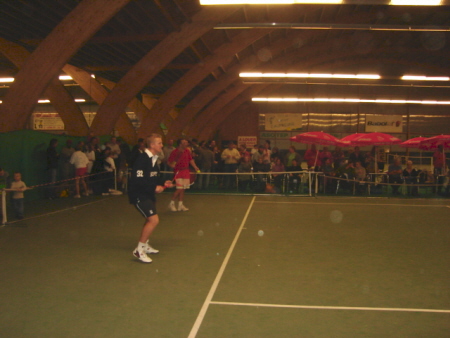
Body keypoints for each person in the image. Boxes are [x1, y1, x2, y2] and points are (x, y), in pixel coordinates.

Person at [128, 134, 172, 263]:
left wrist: (164, 182)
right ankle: (139, 250)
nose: (162, 145)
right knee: (153, 220)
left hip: (148, 194)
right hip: (139, 194)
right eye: (159, 143)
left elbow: (153, 177)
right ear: (152, 145)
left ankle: (145, 245)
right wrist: (154, 187)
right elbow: (137, 179)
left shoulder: (154, 159)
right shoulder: (142, 159)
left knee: (149, 219)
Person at [167, 138, 200, 212]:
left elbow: (190, 160)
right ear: (180, 144)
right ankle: (171, 203)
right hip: (178, 172)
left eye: (186, 142)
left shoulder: (187, 151)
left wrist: (195, 167)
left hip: (186, 171)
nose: (186, 144)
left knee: (183, 189)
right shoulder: (175, 152)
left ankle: (180, 205)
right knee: (179, 188)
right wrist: (172, 165)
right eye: (184, 142)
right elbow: (169, 162)